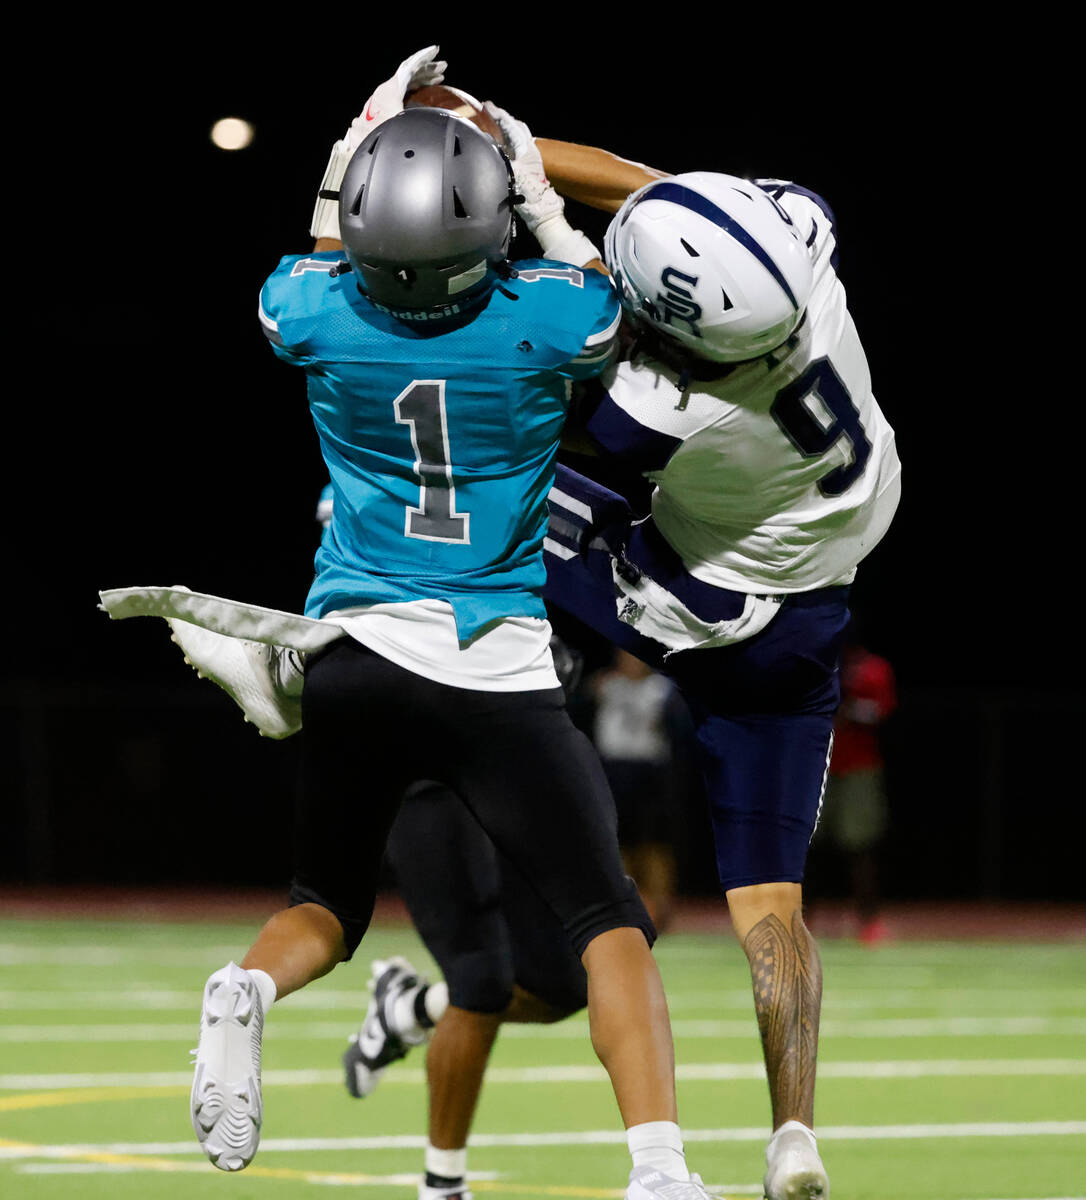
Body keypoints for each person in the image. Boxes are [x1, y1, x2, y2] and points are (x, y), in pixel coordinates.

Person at [102, 49, 713, 1200]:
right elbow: (589, 277)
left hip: (355, 660)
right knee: (605, 922)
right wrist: (528, 179)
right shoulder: (545, 325)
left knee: (321, 907)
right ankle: (659, 1166)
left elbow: (324, 245)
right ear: (478, 223)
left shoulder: (314, 315)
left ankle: (246, 988)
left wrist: (362, 131)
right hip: (495, 668)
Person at [478, 101, 902, 1200]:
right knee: (773, 906)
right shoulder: (796, 248)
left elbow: (568, 442)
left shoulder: (664, 404)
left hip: (710, 605)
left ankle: (347, 632)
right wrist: (500, 134)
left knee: (496, 520)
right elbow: (644, 186)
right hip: (819, 593)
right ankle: (794, 1134)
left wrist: (506, 175)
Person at [589, 647, 682, 930]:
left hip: (648, 771)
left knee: (654, 845)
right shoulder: (606, 685)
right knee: (618, 843)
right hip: (614, 770)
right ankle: (623, 907)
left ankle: (662, 911)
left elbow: (678, 729)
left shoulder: (662, 689)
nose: (630, 661)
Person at [820, 623, 898, 945]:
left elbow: (883, 713)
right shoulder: (817, 664)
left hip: (859, 769)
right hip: (817, 767)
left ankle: (868, 921)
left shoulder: (873, 669)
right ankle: (801, 921)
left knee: (861, 848)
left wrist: (848, 707)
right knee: (807, 850)